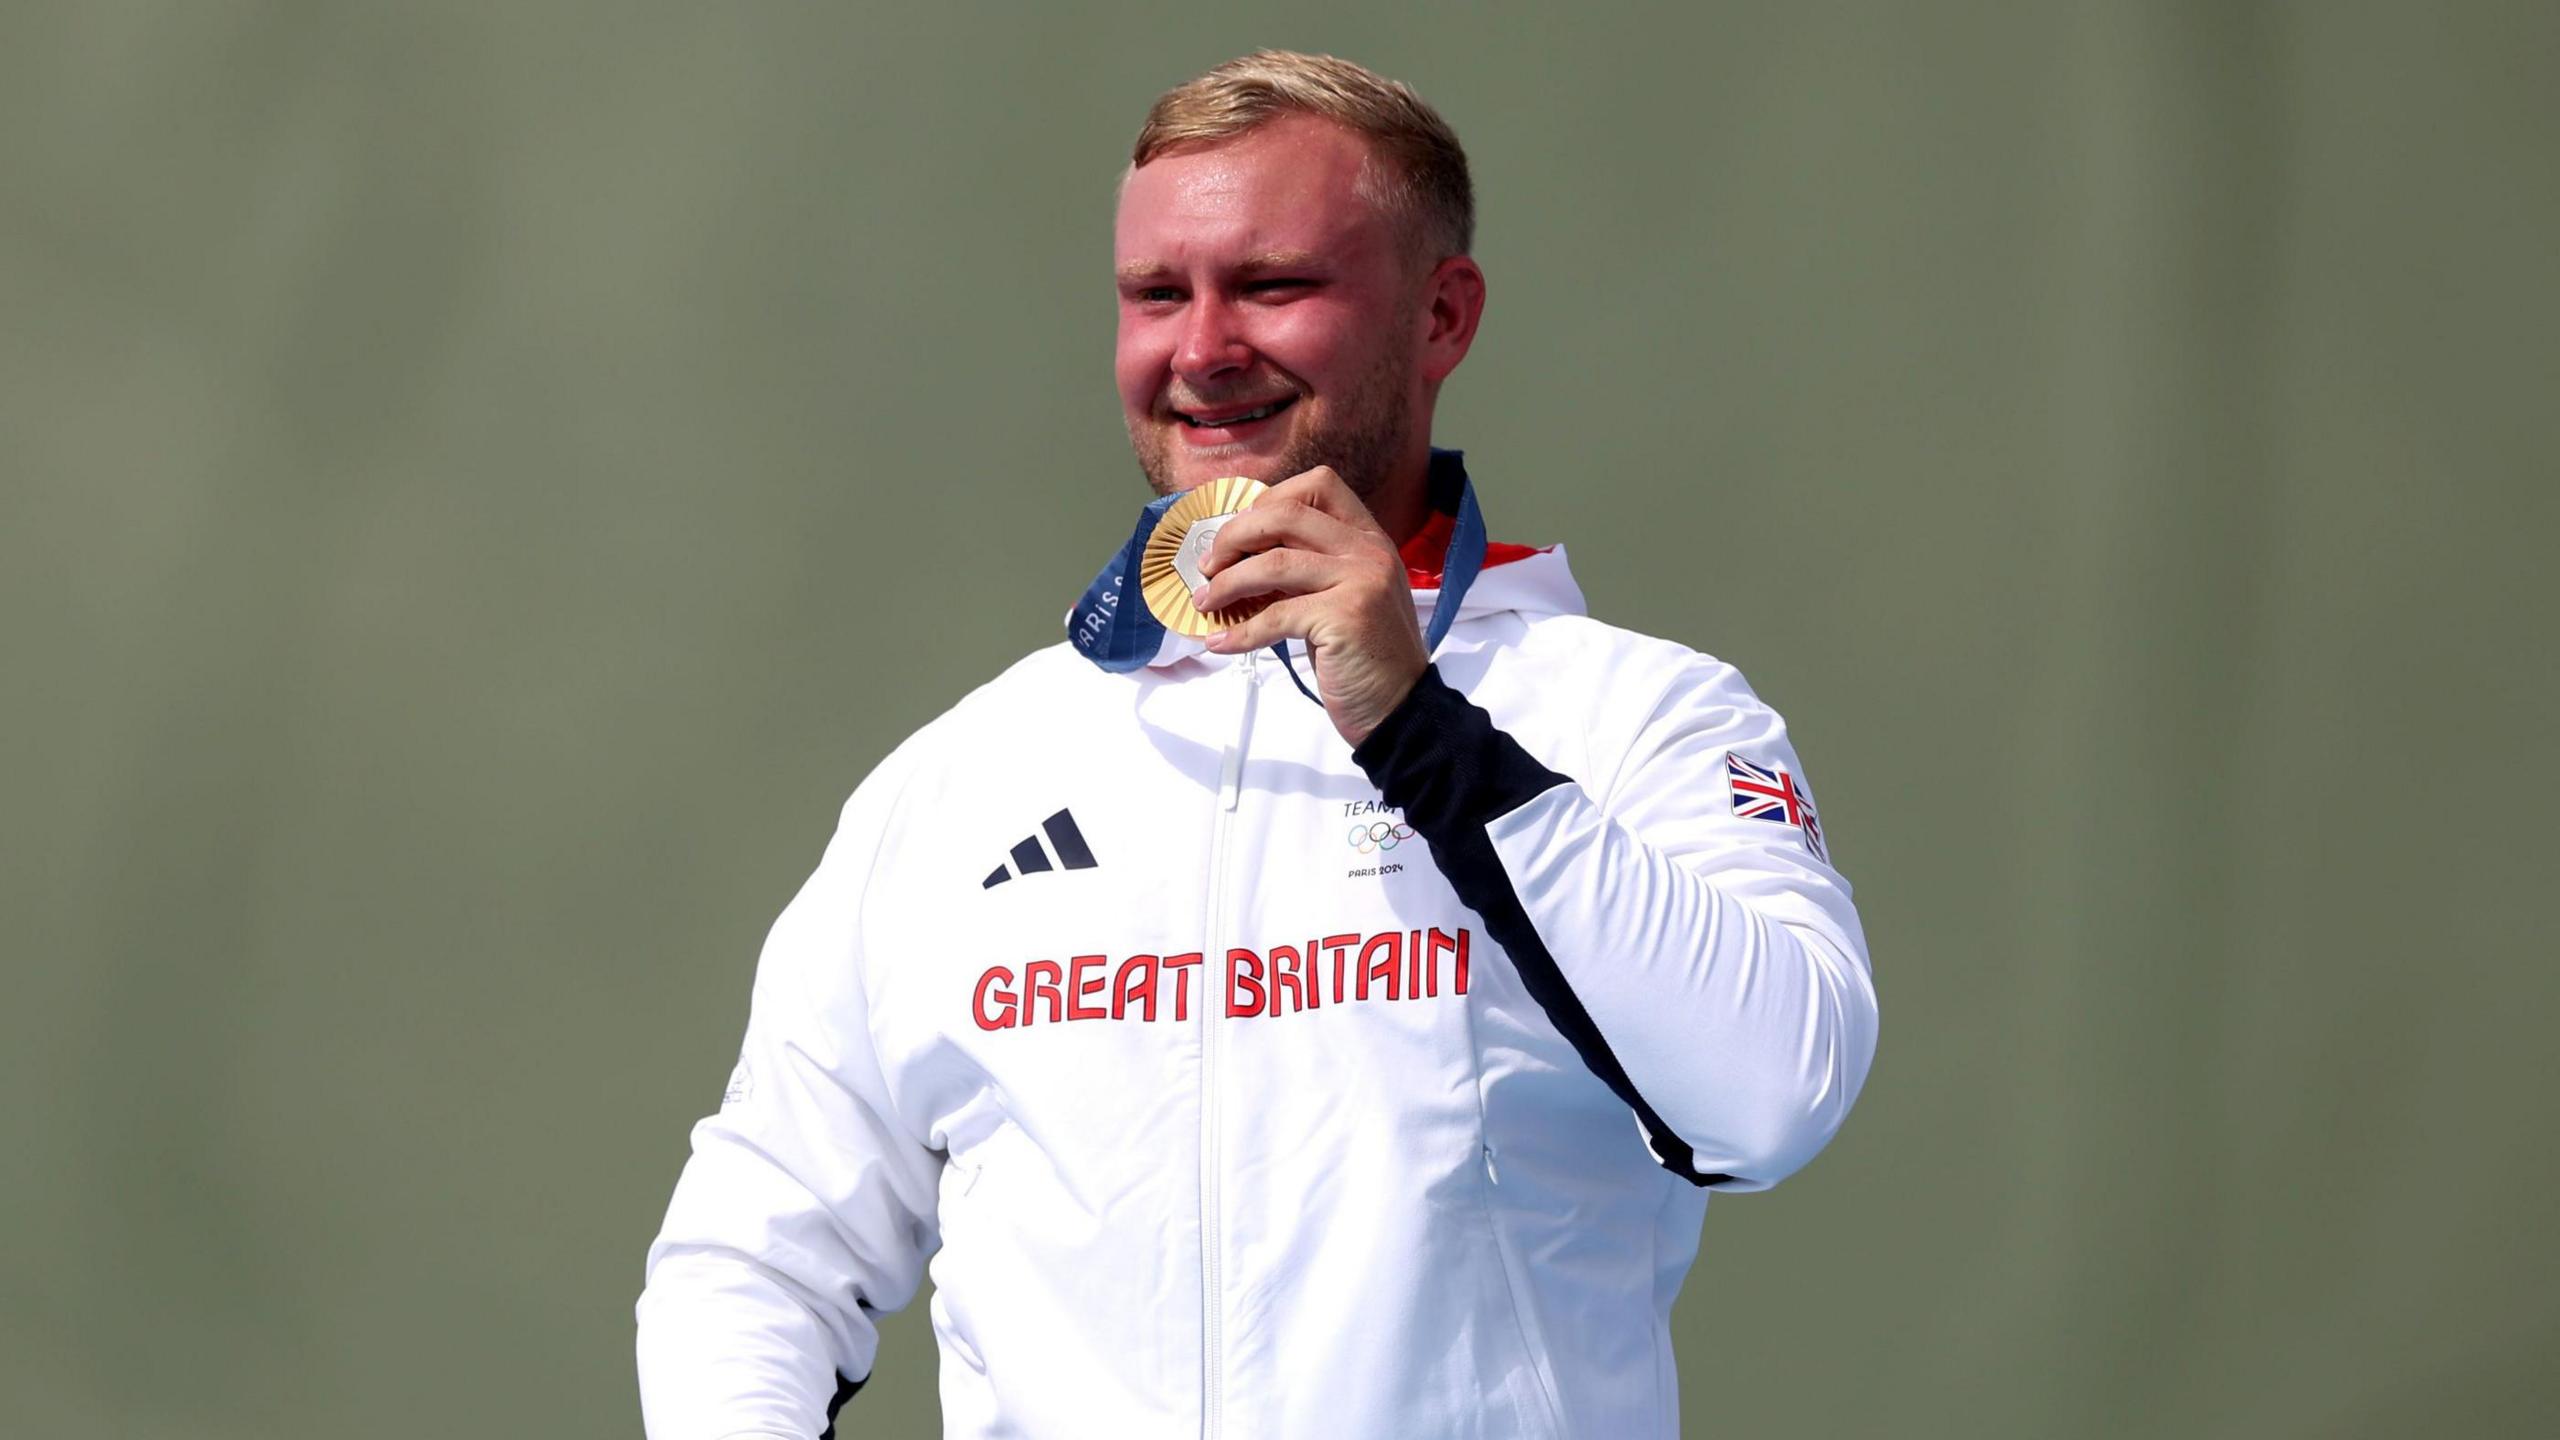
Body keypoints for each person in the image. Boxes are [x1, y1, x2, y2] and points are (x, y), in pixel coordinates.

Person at [637, 50, 1879, 1440]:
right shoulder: (965, 775)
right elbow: (755, 1253)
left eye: (1274, 285)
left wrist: (1418, 728)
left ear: (1442, 315)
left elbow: (1776, 1091)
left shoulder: (1637, 716)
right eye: (1157, 295)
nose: (1203, 347)